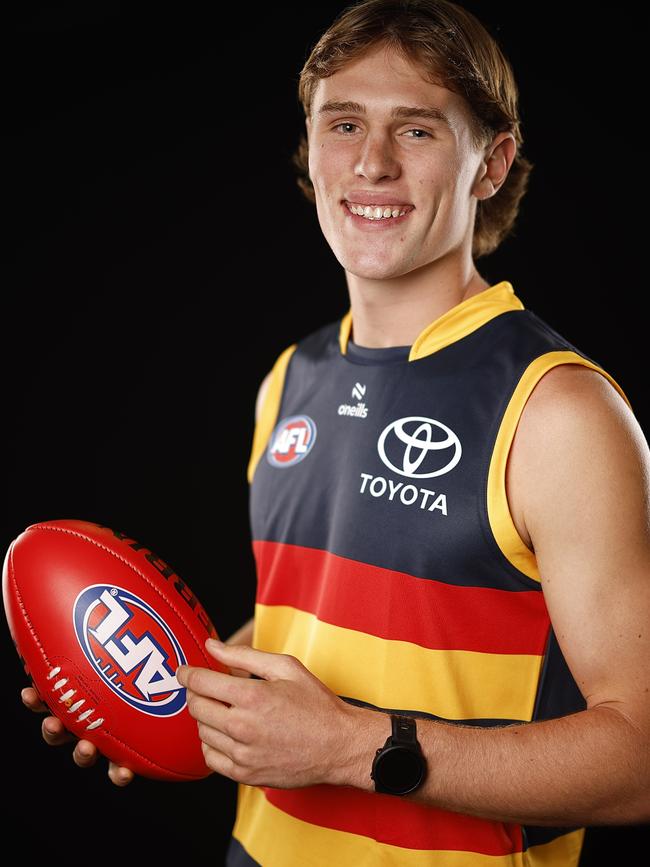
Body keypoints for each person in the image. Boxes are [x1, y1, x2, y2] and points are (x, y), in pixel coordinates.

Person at [22, 1, 650, 865]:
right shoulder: (292, 378)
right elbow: (311, 638)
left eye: (418, 130)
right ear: (311, 152)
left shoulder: (559, 411)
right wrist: (155, 703)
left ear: (491, 164)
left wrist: (348, 747)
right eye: (343, 123)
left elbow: (641, 758)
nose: (372, 163)